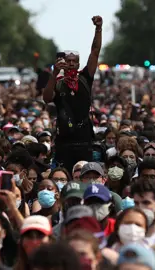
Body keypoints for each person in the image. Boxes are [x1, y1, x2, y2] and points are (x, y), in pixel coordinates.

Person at [43, 16, 103, 173]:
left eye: (73, 61)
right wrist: (54, 72)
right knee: (64, 174)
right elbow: (47, 98)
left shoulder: (85, 78)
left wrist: (98, 28)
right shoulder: (58, 82)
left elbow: (95, 51)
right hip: (64, 139)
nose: (70, 64)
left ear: (78, 63)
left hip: (83, 139)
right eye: (67, 61)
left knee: (85, 173)